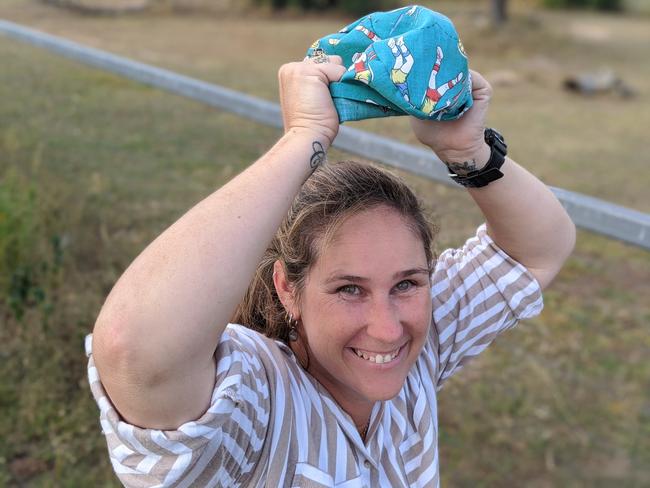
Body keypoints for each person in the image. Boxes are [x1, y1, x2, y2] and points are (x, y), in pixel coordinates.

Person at [86, 54, 576, 487]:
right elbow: (134, 348)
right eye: (348, 289)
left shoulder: (422, 350)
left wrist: (467, 151)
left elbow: (538, 251)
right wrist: (304, 139)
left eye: (406, 282)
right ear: (288, 290)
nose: (387, 329)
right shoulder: (254, 405)